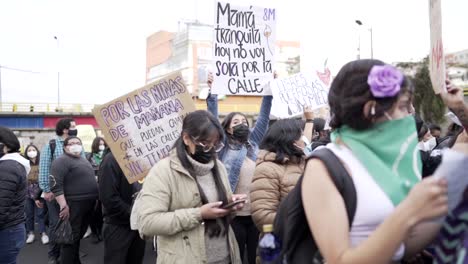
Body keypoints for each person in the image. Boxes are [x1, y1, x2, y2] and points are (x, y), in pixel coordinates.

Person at [301, 60, 448, 263]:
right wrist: (409, 211)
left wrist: (446, 208)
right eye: (404, 106)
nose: (411, 113)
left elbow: (399, 249)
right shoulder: (325, 165)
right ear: (371, 109)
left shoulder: (391, 158)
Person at [137, 110, 244, 264]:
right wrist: (198, 214)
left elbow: (221, 214)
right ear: (186, 138)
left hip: (225, 256)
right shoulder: (163, 171)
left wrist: (230, 204)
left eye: (216, 144)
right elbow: (148, 223)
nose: (211, 150)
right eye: (204, 143)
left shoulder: (218, 167)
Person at [206, 72, 273, 264]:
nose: (241, 124)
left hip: (256, 214)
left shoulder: (254, 142)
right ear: (227, 129)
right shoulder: (223, 146)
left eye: (244, 122)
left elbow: (264, 116)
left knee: (254, 258)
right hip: (233, 215)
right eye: (236, 122)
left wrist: (269, 90)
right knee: (235, 258)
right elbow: (211, 120)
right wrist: (213, 91)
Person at [250, 117, 312, 230]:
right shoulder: (267, 169)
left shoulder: (306, 163)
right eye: (301, 135)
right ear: (290, 139)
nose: (304, 140)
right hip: (285, 242)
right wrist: (305, 220)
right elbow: (263, 217)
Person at [50, 136, 98, 264]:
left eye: (78, 143)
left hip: (88, 204)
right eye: (72, 143)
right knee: (70, 239)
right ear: (65, 147)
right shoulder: (61, 161)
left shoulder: (83, 160)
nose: (75, 145)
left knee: (77, 237)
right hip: (73, 204)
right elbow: (55, 184)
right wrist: (63, 205)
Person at [39, 117, 79, 264]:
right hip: (55, 194)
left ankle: (67, 255)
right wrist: (47, 190)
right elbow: (44, 169)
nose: (76, 128)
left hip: (72, 194)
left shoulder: (75, 145)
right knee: (57, 224)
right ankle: (53, 255)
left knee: (71, 225)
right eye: (73, 126)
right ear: (65, 129)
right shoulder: (52, 145)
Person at [99, 148, 146, 264]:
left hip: (138, 225)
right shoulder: (111, 160)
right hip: (118, 225)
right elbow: (108, 197)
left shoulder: (140, 158)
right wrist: (133, 213)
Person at [0, 126, 31, 264]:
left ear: (5, 146)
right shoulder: (12, 164)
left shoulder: (7, 167)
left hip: (7, 230)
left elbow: (1, 204)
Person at [23, 144, 49, 245]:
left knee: (40, 214)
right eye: (29, 150)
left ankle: (43, 233)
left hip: (40, 193)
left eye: (33, 149)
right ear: (26, 153)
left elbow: (43, 179)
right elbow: (24, 181)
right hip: (28, 194)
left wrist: (37, 196)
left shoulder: (42, 163)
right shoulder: (25, 164)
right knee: (29, 214)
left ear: (37, 151)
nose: (31, 152)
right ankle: (31, 233)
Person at [85, 136, 107, 242]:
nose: (101, 146)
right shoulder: (89, 157)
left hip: (104, 187)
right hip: (92, 187)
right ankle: (94, 232)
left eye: (103, 144)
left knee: (101, 211)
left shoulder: (106, 156)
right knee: (93, 211)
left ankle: (100, 230)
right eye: (99, 144)